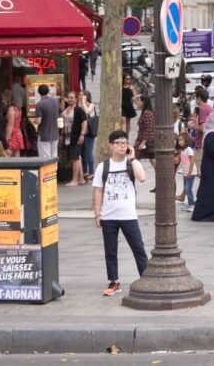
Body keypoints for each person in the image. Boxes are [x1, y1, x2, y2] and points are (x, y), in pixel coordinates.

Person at [92, 130, 148, 296]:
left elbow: (142, 178)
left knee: (138, 248)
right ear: (111, 146)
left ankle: (145, 279)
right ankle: (114, 281)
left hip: (128, 215)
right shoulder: (104, 167)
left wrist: (133, 159)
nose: (123, 146)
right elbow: (98, 191)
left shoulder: (130, 163)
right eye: (119, 143)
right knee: (110, 251)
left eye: (125, 143)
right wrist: (97, 214)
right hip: (109, 215)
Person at [188, 86, 213, 179]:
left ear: (199, 98)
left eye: (196, 98)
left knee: (195, 170)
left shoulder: (202, 109)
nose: (195, 100)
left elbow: (202, 128)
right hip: (207, 142)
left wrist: (192, 126)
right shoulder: (210, 108)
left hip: (201, 143)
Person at [64, 92, 88, 186]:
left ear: (76, 99)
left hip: (75, 136)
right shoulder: (67, 109)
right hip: (67, 137)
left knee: (75, 158)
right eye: (69, 97)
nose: (70, 99)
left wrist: (82, 134)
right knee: (77, 158)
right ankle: (81, 178)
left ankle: (74, 180)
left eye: (72, 98)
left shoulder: (78, 110)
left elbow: (84, 122)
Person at [34, 85, 60, 161]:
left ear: (38, 92)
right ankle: (54, 172)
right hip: (55, 134)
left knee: (45, 158)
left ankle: (47, 173)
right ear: (48, 91)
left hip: (44, 135)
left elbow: (39, 121)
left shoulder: (39, 104)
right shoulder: (55, 101)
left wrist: (35, 121)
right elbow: (61, 112)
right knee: (54, 156)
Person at [1, 89, 25, 158]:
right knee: (17, 155)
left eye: (3, 99)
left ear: (6, 98)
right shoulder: (18, 109)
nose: (2, 101)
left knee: (7, 155)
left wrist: (6, 139)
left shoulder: (11, 110)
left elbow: (10, 125)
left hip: (12, 134)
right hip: (18, 133)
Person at [177, 133, 195, 211]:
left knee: (188, 188)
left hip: (191, 172)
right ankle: (189, 204)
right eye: (178, 140)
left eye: (181, 140)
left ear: (186, 140)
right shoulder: (183, 150)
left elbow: (192, 161)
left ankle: (192, 204)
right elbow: (183, 161)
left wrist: (189, 172)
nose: (179, 142)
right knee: (186, 188)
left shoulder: (189, 150)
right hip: (185, 172)